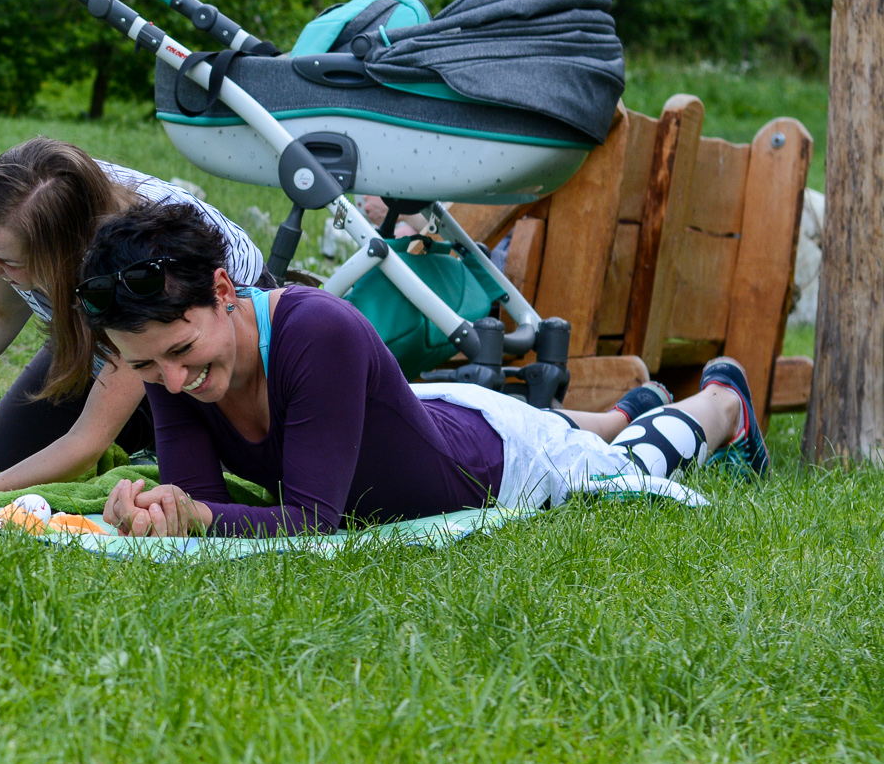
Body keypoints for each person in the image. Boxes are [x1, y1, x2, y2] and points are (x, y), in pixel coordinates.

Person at [76, 202, 766, 537]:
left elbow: (311, 521)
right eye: (146, 366)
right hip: (432, 413)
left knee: (630, 467)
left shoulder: (317, 330)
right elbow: (200, 505)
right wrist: (161, 512)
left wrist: (196, 514)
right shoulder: (172, 362)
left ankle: (721, 402)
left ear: (224, 291)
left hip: (501, 463)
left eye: (180, 353)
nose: (170, 382)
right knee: (579, 430)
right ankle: (627, 406)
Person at [0, 137, 265, 491]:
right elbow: (1, 311)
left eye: (9, 261)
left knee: (216, 470)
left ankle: (164, 434)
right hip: (107, 325)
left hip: (192, 340)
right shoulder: (8, 218)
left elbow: (87, 440)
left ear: (63, 258)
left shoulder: (132, 269)